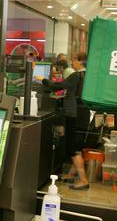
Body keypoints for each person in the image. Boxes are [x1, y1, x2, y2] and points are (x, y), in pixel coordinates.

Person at [36, 52, 90, 190]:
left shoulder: (76, 75)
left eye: (74, 60)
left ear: (81, 61)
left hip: (73, 114)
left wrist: (43, 79)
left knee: (72, 147)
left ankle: (84, 180)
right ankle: (72, 175)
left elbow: (57, 86)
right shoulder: (88, 76)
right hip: (84, 113)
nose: (72, 63)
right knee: (76, 144)